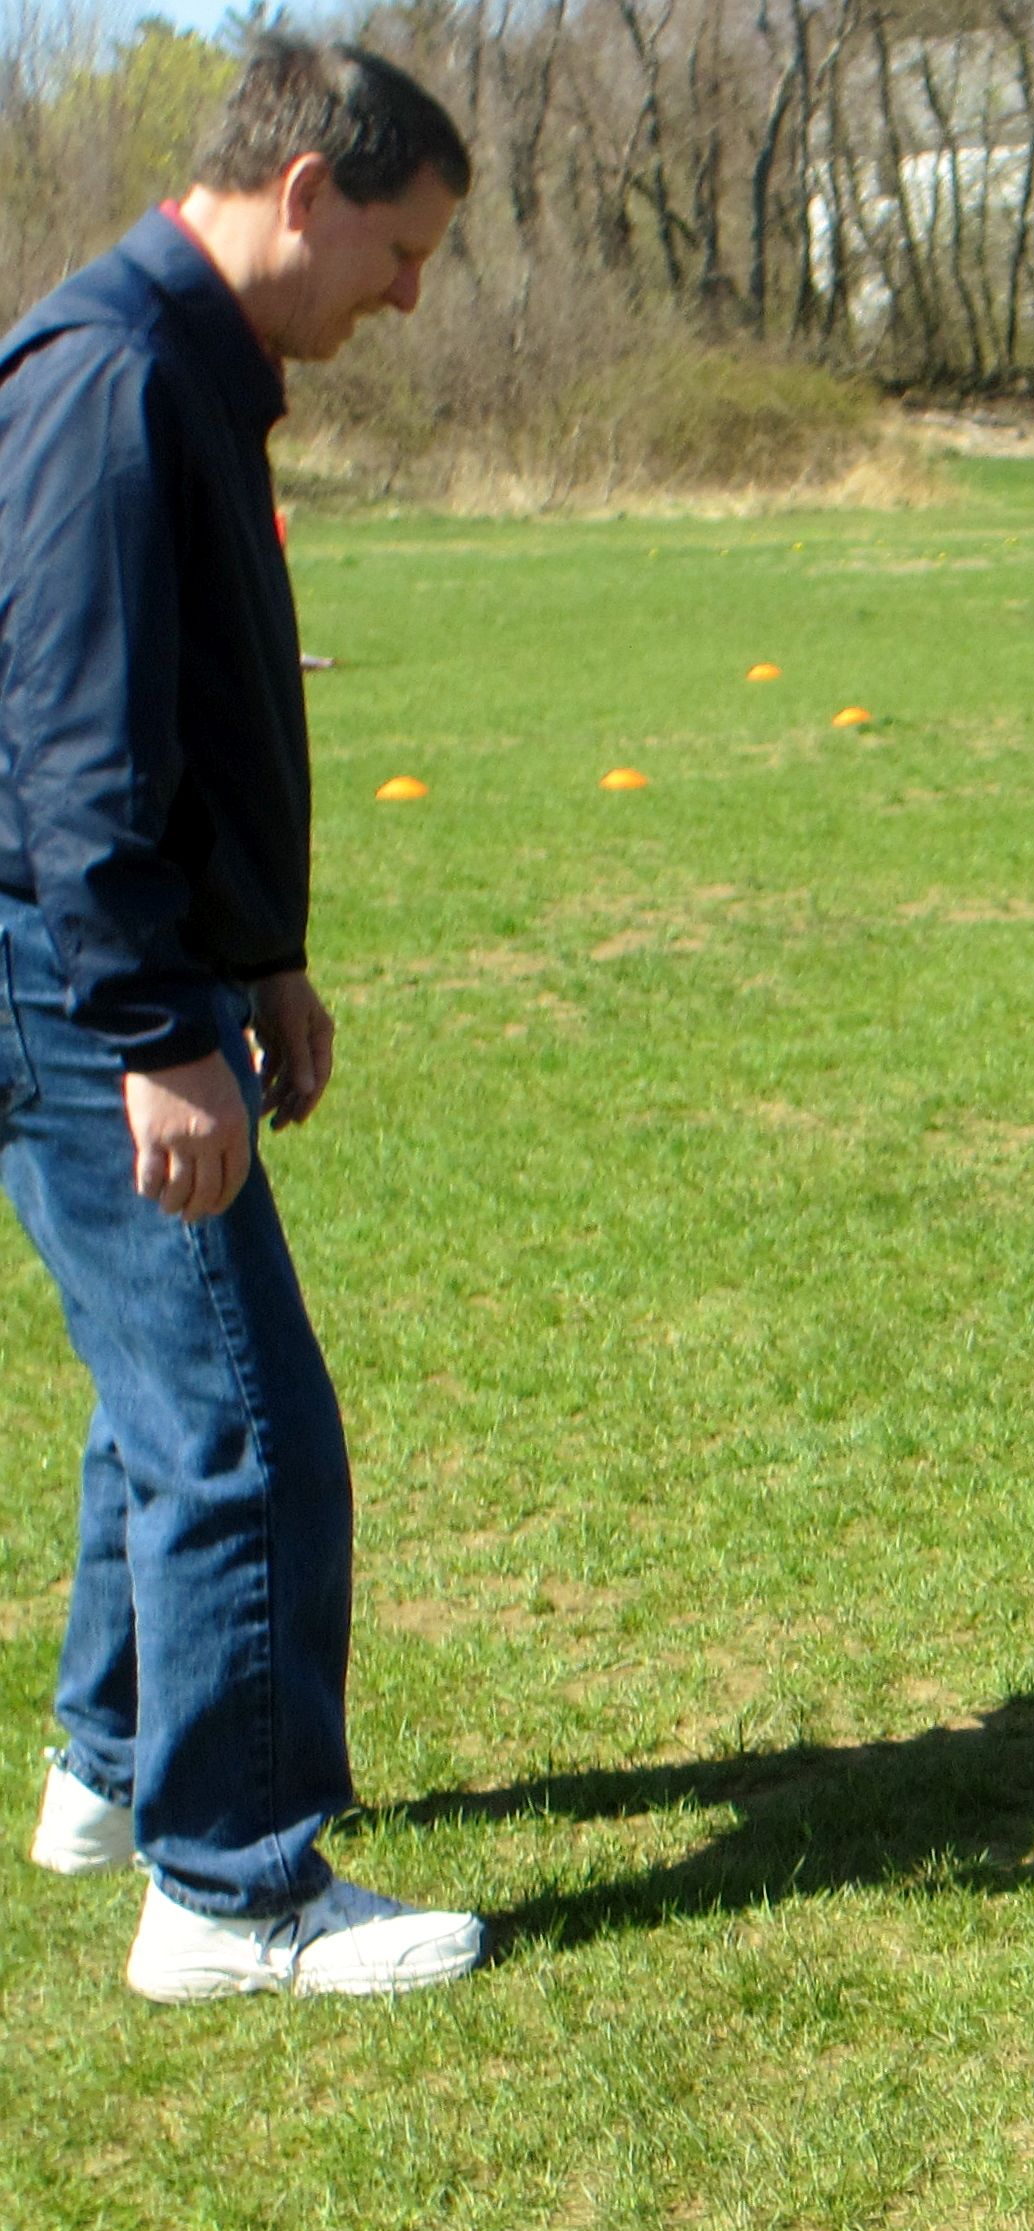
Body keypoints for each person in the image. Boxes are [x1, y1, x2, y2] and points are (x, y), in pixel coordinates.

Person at [0, 39, 483, 1996]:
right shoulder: (110, 372)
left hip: (153, 966)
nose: (409, 295)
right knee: (243, 1430)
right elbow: (76, 744)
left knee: (164, 1388)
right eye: (400, 247)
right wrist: (151, 1031)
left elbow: (205, 711)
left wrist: (263, 954)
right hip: (82, 980)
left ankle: (109, 1772)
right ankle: (228, 1889)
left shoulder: (189, 366)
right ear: (301, 190)